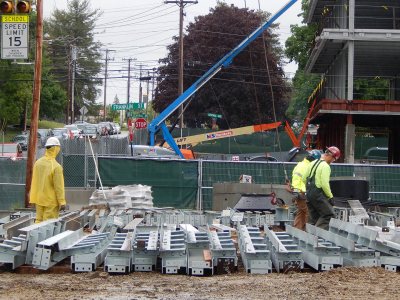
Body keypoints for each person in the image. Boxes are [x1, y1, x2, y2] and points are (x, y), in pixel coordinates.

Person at [29, 137, 66, 223]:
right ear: (56, 148)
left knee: (38, 221)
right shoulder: (56, 166)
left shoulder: (38, 163)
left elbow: (35, 181)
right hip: (51, 202)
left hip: (39, 199)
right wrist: (62, 202)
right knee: (48, 225)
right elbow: (59, 187)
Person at [305, 146, 341, 230]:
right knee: (328, 215)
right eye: (334, 159)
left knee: (314, 218)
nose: (332, 162)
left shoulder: (312, 163)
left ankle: (308, 238)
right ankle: (317, 236)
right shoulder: (325, 166)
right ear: (331, 156)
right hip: (318, 195)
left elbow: (304, 178)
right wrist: (330, 196)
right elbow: (324, 184)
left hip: (309, 193)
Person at [290, 150, 321, 230]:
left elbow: (296, 179)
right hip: (303, 193)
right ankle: (308, 232)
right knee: (309, 213)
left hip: (298, 192)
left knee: (301, 212)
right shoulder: (308, 167)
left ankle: (297, 230)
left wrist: (295, 192)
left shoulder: (300, 164)